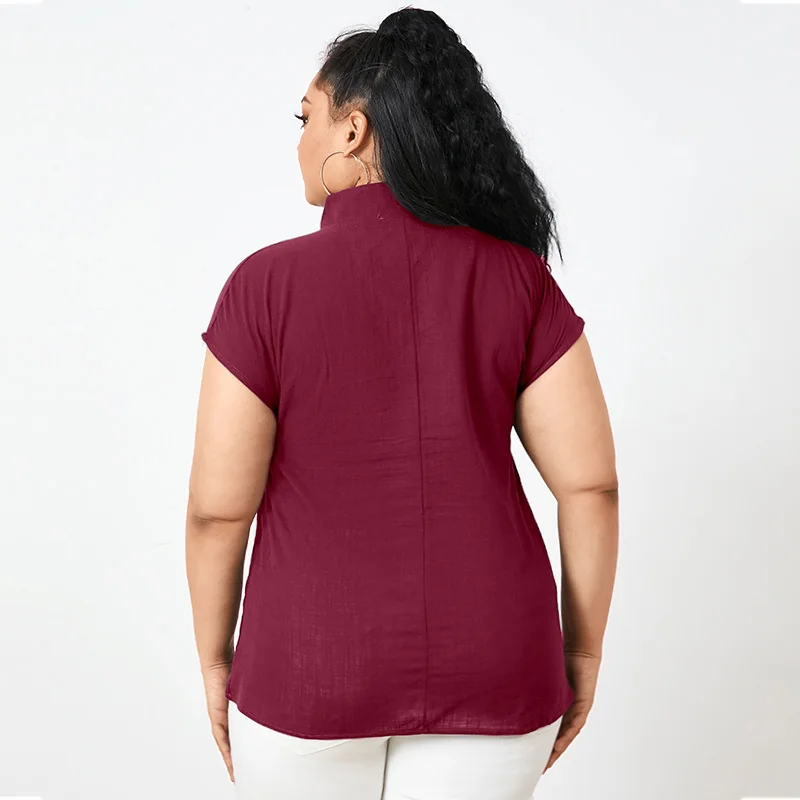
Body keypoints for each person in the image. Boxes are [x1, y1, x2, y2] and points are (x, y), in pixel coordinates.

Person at [185, 7, 619, 799]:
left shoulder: (264, 287)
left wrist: (217, 660)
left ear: (352, 131)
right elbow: (590, 486)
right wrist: (582, 652)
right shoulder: (518, 279)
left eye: (307, 118)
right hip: (496, 657)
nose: (299, 140)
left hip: (308, 662)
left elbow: (218, 512)